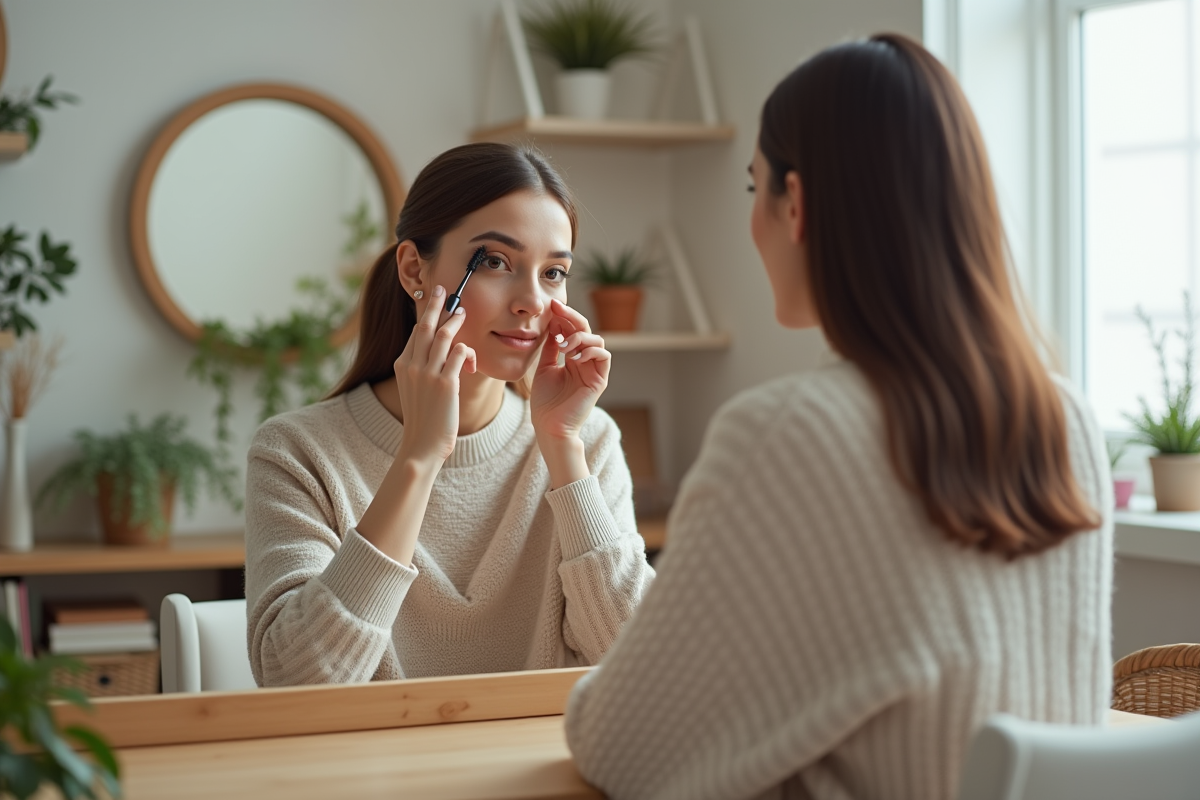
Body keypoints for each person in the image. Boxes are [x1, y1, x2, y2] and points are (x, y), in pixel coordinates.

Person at [564, 33, 1113, 800]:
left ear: (800, 205)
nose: (752, 221)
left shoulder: (787, 433)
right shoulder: (1070, 421)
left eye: (754, 188)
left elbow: (618, 746)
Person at [245, 142, 654, 685]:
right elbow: (295, 681)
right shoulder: (298, 453)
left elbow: (640, 666)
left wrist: (561, 446)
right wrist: (417, 455)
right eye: (495, 262)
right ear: (415, 269)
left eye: (554, 273)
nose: (532, 301)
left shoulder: (589, 440)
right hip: (369, 770)